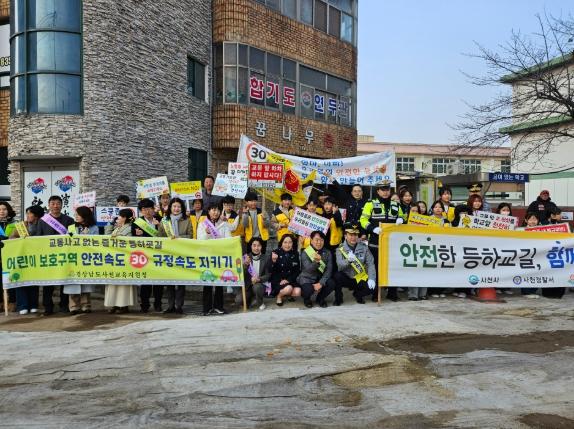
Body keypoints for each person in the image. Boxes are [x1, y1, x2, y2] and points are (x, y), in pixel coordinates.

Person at [360, 180, 404, 302]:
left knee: (393, 267)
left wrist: (401, 219)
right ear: (378, 191)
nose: (385, 192)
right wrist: (372, 228)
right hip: (375, 242)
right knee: (375, 268)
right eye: (383, 190)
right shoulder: (370, 204)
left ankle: (392, 293)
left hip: (392, 243)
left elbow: (403, 216)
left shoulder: (396, 204)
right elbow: (363, 220)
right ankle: (375, 293)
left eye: (387, 190)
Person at [37, 195, 75, 315]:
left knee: (65, 281)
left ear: (62, 205)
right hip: (49, 256)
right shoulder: (43, 221)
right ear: (49, 205)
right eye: (53, 203)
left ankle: (64, 305)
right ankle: (48, 307)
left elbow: (73, 236)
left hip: (64, 256)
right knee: (48, 283)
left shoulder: (69, 220)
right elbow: (38, 238)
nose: (55, 206)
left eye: (58, 203)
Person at [328, 223, 376, 305]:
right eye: (351, 235)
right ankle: (338, 298)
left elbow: (370, 263)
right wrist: (348, 261)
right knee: (337, 276)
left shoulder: (364, 248)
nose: (353, 237)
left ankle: (358, 295)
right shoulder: (340, 249)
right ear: (345, 236)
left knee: (373, 288)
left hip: (359, 277)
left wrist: (372, 278)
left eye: (355, 235)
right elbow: (340, 266)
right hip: (346, 277)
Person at [158, 197, 192, 314]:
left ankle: (179, 305)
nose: (176, 209)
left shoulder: (187, 220)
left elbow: (191, 236)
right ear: (170, 207)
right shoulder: (164, 221)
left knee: (181, 281)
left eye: (178, 206)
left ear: (182, 208)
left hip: (182, 254)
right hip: (168, 254)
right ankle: (170, 305)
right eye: (174, 206)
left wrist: (179, 238)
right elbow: (159, 237)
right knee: (170, 281)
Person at [197, 202, 232, 315]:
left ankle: (218, 306)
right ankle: (206, 308)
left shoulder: (224, 225)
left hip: (220, 257)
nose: (215, 212)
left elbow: (229, 240)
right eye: (213, 209)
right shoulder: (202, 224)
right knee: (207, 281)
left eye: (217, 210)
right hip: (207, 257)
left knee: (219, 283)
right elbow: (199, 241)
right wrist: (207, 233)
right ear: (208, 211)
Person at [64, 206, 99, 315]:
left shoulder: (94, 228)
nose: (76, 216)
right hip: (73, 258)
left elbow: (97, 243)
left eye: (78, 215)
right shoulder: (71, 227)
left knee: (85, 282)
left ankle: (86, 305)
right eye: (75, 214)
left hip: (86, 258)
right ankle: (73, 306)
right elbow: (67, 241)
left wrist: (86, 236)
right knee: (73, 282)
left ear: (85, 215)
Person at [132, 198, 163, 313]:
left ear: (153, 209)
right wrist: (138, 236)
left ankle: (158, 304)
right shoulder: (137, 223)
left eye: (149, 208)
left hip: (158, 255)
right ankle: (144, 305)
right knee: (145, 282)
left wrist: (159, 226)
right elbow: (133, 240)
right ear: (141, 211)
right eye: (144, 209)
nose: (147, 211)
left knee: (158, 282)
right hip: (144, 256)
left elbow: (166, 236)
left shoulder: (160, 220)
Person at [104, 209, 138, 313]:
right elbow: (107, 237)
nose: (117, 218)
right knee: (113, 282)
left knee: (123, 284)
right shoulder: (117, 228)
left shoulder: (130, 228)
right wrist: (110, 225)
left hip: (124, 259)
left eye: (119, 216)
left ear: (124, 218)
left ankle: (123, 305)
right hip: (114, 258)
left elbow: (128, 242)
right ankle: (114, 304)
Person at [13, 205, 44, 315]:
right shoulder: (21, 226)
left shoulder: (43, 225)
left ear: (36, 215)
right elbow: (12, 238)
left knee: (34, 281)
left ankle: (33, 305)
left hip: (36, 258)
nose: (28, 215)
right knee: (21, 280)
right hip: (22, 257)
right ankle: (22, 305)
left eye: (30, 213)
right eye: (27, 213)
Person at [297, 231, 334, 308]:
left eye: (321, 240)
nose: (319, 242)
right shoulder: (305, 252)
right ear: (311, 240)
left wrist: (321, 283)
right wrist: (316, 262)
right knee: (308, 290)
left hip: (320, 278)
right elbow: (308, 269)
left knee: (331, 283)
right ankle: (307, 299)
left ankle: (320, 298)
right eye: (317, 240)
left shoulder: (327, 252)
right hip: (307, 278)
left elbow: (329, 270)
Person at [270, 234, 301, 306]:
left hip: (290, 279)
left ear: (292, 243)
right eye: (285, 242)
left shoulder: (295, 253)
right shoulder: (275, 252)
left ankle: (287, 294)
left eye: (290, 242)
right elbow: (270, 270)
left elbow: (297, 270)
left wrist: (288, 280)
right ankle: (279, 296)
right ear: (281, 243)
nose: (287, 245)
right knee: (288, 289)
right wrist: (273, 261)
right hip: (278, 280)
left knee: (297, 292)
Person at [241, 237, 271, 310]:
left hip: (260, 284)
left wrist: (259, 279)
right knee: (238, 300)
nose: (256, 248)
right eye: (254, 245)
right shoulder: (245, 257)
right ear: (251, 246)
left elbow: (268, 275)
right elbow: (241, 275)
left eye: (258, 246)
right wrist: (245, 265)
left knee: (257, 288)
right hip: (248, 285)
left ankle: (260, 302)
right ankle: (252, 298)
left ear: (261, 247)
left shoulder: (266, 258)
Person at [0, 201, 18, 313]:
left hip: (11, 257)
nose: (2, 211)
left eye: (4, 209)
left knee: (11, 279)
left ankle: (12, 302)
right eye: (0, 209)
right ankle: (1, 302)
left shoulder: (16, 224)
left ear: (9, 211)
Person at [521, 212, 541, 299]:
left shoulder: (542, 230)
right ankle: (526, 292)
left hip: (538, 256)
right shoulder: (521, 230)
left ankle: (533, 290)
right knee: (526, 273)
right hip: (526, 256)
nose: (533, 221)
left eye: (535, 219)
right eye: (531, 219)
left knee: (537, 273)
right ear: (526, 220)